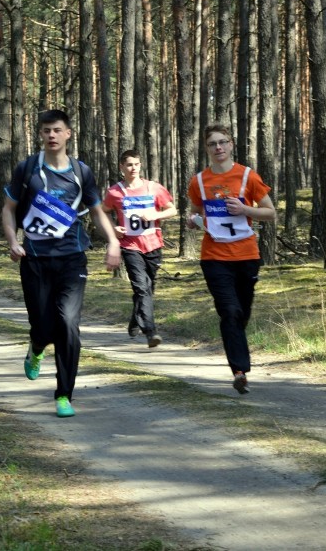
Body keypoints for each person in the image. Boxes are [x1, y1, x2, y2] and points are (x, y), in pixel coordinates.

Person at [1, 109, 121, 418]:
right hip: (35, 259)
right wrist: (13, 241)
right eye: (46, 131)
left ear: (68, 133)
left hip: (71, 257)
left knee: (68, 324)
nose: (51, 135)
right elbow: (8, 208)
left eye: (57, 130)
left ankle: (64, 394)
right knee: (42, 326)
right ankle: (37, 347)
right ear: (40, 134)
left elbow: (96, 211)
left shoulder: (81, 172)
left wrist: (113, 242)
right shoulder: (27, 169)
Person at [187, 124, 276, 394]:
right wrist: (193, 221)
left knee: (242, 313)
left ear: (231, 144)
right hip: (214, 257)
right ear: (206, 148)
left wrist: (245, 208)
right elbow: (193, 212)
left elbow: (270, 212)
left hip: (246, 255)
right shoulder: (199, 181)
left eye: (223, 142)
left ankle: (237, 350)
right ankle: (239, 371)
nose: (218, 148)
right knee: (229, 311)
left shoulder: (247, 176)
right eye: (212, 143)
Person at [102, 149, 177, 348]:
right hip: (130, 245)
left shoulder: (153, 188)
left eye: (136, 164)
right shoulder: (114, 192)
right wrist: (113, 228)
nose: (133, 168)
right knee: (141, 288)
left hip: (153, 244)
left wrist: (155, 216)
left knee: (149, 288)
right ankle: (151, 331)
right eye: (129, 165)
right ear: (121, 167)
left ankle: (136, 317)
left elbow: (172, 209)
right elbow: (102, 213)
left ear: (140, 165)